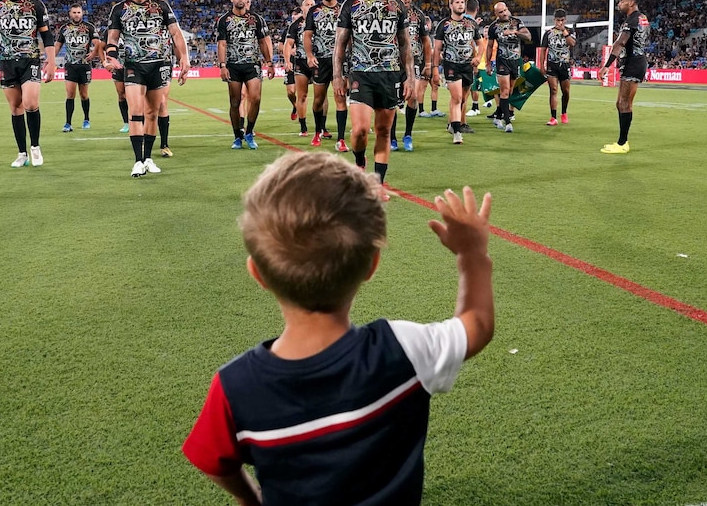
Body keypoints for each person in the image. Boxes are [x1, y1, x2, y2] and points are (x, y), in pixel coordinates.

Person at [182, 151, 495, 505]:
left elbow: (213, 461)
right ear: (371, 266)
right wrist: (472, 254)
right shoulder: (404, 350)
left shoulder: (234, 387)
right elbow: (478, 324)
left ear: (257, 274)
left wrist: (251, 500)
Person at [334, 0, 414, 199]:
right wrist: (338, 75)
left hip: (390, 75)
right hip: (361, 74)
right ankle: (359, 161)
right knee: (359, 131)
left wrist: (410, 76)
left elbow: (405, 46)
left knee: (382, 131)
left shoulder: (397, 6)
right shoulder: (351, 4)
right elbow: (339, 45)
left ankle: (378, 183)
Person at [106, 0, 190, 177]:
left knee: (152, 113)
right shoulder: (119, 9)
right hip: (134, 65)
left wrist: (184, 58)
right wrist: (111, 56)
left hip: (159, 64)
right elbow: (113, 38)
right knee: (136, 111)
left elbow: (176, 34)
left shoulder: (161, 6)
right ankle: (137, 161)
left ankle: (149, 158)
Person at [0, 0, 56, 168]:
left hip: (30, 60)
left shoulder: (36, 5)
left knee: (31, 103)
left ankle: (35, 147)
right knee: (15, 108)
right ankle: (22, 153)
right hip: (6, 62)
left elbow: (47, 35)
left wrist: (51, 61)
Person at [217, 0, 275, 150]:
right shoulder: (224, 20)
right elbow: (221, 44)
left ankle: (249, 132)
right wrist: (222, 66)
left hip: (253, 65)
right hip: (233, 65)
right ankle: (237, 136)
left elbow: (263, 42)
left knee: (255, 99)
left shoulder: (256, 19)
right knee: (235, 102)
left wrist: (269, 62)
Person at [598, 0, 649, 154]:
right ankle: (621, 142)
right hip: (635, 61)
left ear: (631, 2)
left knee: (625, 103)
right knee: (620, 103)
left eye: (622, 1)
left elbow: (620, 43)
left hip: (634, 63)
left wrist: (607, 65)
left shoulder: (633, 19)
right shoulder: (641, 18)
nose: (619, 4)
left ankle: (622, 143)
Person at [433, 0, 483, 146]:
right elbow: (437, 49)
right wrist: (435, 68)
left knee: (462, 99)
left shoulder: (471, 24)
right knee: (456, 98)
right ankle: (457, 132)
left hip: (467, 65)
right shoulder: (444, 25)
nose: (460, 5)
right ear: (451, 5)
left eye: (462, 2)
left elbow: (480, 43)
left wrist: (478, 57)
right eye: (457, 2)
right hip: (451, 65)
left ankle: (452, 124)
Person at [148, 0, 189, 158]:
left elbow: (176, 36)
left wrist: (183, 60)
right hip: (140, 63)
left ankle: (164, 144)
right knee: (145, 106)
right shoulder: (136, 11)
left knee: (162, 101)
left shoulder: (167, 12)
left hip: (163, 62)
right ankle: (143, 139)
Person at [389, 0, 431, 152]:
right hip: (392, 62)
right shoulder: (388, 12)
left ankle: (408, 134)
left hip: (414, 61)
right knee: (392, 102)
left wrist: (428, 63)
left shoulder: (418, 15)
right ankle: (392, 138)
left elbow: (426, 41)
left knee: (412, 97)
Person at [304, 0, 345, 149]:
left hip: (340, 61)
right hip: (321, 60)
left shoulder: (345, 9)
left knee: (340, 98)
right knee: (318, 99)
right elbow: (307, 34)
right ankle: (317, 131)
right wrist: (309, 54)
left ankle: (341, 139)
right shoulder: (314, 11)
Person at [486, 1, 531, 133]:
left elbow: (528, 36)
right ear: (496, 14)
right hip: (502, 61)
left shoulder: (517, 22)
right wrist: (488, 63)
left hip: (515, 61)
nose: (504, 13)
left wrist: (515, 32)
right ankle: (508, 122)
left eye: (505, 10)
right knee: (505, 90)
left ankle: (498, 116)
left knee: (509, 91)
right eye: (501, 12)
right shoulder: (493, 27)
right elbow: (489, 46)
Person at [55, 3, 100, 132]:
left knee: (84, 94)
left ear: (82, 13)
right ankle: (68, 123)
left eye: (78, 12)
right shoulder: (65, 28)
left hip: (84, 65)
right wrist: (51, 60)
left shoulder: (89, 28)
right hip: (70, 65)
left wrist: (93, 53)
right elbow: (57, 46)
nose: (76, 15)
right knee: (70, 94)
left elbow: (98, 43)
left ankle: (86, 119)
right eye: (74, 12)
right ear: (70, 13)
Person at [540, 8, 575, 126]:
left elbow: (572, 43)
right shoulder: (548, 33)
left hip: (564, 65)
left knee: (565, 91)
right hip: (552, 65)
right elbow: (543, 50)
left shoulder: (570, 31)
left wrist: (564, 31)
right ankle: (553, 117)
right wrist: (541, 65)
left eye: (562, 20)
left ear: (565, 20)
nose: (560, 22)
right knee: (553, 90)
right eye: (558, 20)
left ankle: (564, 112)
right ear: (554, 20)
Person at [286, 0, 315, 139]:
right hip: (301, 63)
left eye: (312, 5)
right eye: (307, 5)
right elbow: (288, 43)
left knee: (320, 96)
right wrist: (287, 60)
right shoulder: (296, 25)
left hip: (317, 62)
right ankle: (303, 127)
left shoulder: (320, 22)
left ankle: (321, 127)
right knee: (301, 95)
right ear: (302, 7)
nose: (309, 7)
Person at [96, 27, 129, 133]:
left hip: (134, 66)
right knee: (121, 95)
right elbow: (100, 47)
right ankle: (126, 123)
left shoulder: (134, 25)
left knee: (134, 95)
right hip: (118, 68)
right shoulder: (111, 30)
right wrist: (105, 63)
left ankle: (139, 120)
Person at [281, 6, 303, 127]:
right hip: (290, 63)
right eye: (293, 16)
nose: (294, 18)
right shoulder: (287, 30)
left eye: (296, 15)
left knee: (301, 91)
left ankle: (301, 115)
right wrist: (289, 53)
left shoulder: (305, 28)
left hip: (301, 63)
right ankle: (295, 106)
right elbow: (280, 46)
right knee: (290, 92)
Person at [464, 0, 484, 119]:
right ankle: (474, 107)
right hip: (469, 58)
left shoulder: (463, 19)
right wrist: (475, 57)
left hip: (461, 59)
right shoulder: (471, 22)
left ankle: (473, 108)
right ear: (477, 9)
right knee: (470, 85)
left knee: (468, 86)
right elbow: (471, 41)